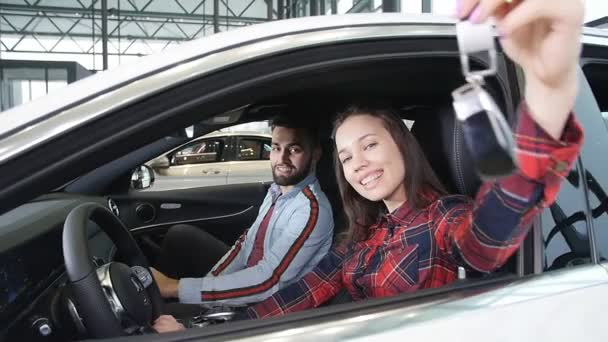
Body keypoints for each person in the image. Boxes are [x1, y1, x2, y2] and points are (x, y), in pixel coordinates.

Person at [153, 0, 585, 332]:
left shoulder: (445, 218)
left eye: (369, 145)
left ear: (403, 142)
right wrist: (199, 328)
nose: (358, 165)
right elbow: (296, 297)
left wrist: (548, 95)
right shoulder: (362, 234)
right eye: (346, 156)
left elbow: (492, 232)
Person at [151, 115, 335, 311]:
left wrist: (174, 288)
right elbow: (246, 245)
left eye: (294, 149)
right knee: (180, 236)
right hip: (250, 280)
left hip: (265, 305)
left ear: (315, 154)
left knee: (166, 314)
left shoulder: (311, 210)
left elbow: (267, 282)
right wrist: (210, 284)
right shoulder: (276, 191)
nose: (281, 159)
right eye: (276, 148)